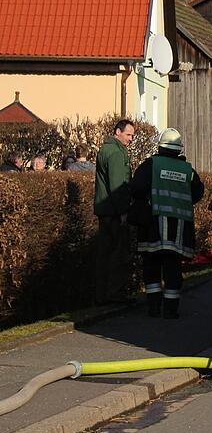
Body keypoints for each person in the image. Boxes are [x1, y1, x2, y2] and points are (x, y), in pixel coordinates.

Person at [130, 129, 204, 318]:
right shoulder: (188, 169)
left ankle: (154, 307)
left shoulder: (150, 165)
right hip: (179, 226)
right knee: (173, 267)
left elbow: (136, 188)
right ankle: (171, 310)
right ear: (179, 149)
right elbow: (198, 192)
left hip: (153, 224)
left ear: (160, 146)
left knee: (151, 265)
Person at [93, 119, 135, 304]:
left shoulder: (104, 149)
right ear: (118, 132)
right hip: (115, 212)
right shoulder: (117, 153)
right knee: (118, 253)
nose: (131, 139)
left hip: (104, 208)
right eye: (128, 135)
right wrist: (124, 212)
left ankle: (101, 295)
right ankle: (116, 294)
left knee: (104, 253)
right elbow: (118, 185)